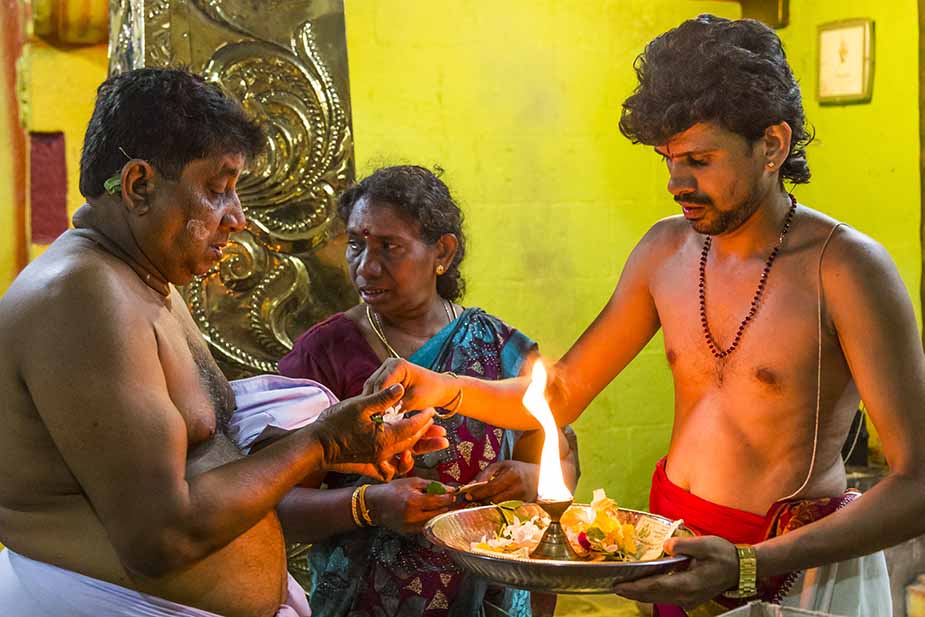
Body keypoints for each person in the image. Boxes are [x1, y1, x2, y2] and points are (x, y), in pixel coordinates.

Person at [363, 15, 925, 617]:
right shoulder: (664, 251)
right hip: (672, 550)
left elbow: (917, 483)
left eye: (700, 159)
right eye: (667, 158)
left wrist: (750, 563)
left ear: (772, 145)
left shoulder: (845, 268)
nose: (677, 182)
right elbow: (563, 393)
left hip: (795, 570)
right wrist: (441, 387)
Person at [0, 68, 446, 617]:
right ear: (139, 186)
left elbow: (198, 448)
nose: (236, 218)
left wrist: (348, 443)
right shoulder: (82, 296)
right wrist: (321, 443)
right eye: (217, 189)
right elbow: (161, 537)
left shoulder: (147, 281)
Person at [276, 165, 579, 617]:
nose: (366, 266)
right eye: (356, 244)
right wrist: (367, 506)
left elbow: (563, 463)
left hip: (491, 598)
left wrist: (529, 481)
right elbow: (277, 505)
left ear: (443, 251)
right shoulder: (324, 355)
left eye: (389, 247)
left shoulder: (499, 349)